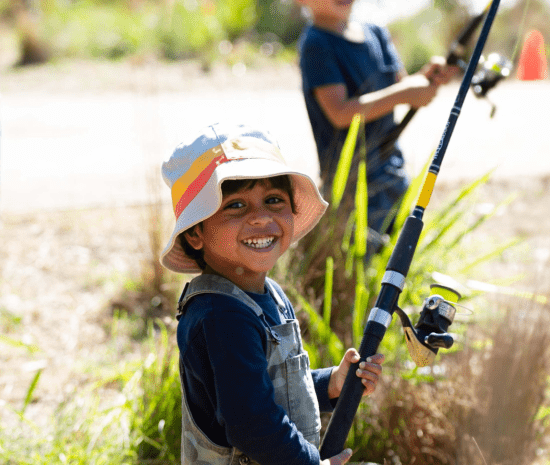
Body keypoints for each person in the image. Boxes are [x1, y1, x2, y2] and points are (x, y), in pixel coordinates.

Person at [161, 123, 386, 464]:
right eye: (235, 206)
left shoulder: (267, 294)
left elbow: (269, 386)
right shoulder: (222, 316)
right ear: (195, 234)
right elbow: (252, 422)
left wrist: (331, 384)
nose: (260, 217)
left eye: (273, 200)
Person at [296, 0, 457, 242]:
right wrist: (405, 93)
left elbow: (399, 86)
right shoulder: (316, 43)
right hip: (351, 184)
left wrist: (424, 79)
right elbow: (339, 113)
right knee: (361, 258)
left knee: (399, 252)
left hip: (392, 169)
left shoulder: (376, 33)